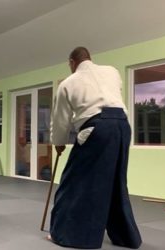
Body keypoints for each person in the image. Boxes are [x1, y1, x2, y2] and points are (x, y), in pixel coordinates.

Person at [49, 47, 142, 249]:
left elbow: (61, 120)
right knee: (116, 181)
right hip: (123, 126)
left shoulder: (68, 83)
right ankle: (126, 237)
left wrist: (58, 143)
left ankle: (71, 235)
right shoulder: (112, 71)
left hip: (97, 128)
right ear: (90, 58)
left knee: (73, 182)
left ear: (72, 62)